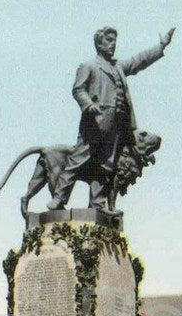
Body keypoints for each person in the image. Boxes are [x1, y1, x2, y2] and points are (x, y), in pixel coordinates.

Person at [46, 26, 175, 214]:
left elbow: (139, 61)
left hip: (116, 127)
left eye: (115, 41)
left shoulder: (118, 67)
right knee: (78, 160)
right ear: (98, 43)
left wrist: (161, 46)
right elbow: (78, 89)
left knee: (106, 165)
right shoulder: (88, 66)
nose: (113, 44)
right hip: (95, 123)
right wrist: (89, 105)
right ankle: (59, 198)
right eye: (109, 41)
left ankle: (97, 204)